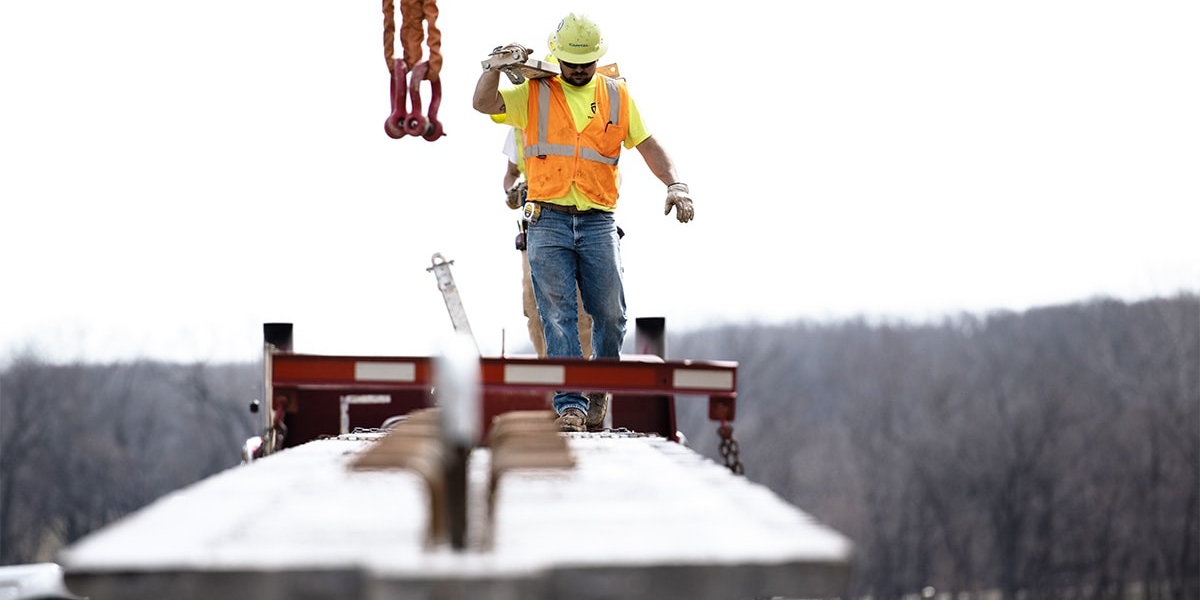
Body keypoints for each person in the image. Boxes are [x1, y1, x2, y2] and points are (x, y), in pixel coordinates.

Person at [474, 13, 694, 432]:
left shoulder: (616, 96)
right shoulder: (535, 92)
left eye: (585, 64)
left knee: (610, 315)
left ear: (597, 59)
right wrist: (494, 68)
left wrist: (676, 183)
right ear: (557, 57)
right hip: (547, 220)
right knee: (557, 315)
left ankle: (599, 389)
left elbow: (647, 145)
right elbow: (484, 103)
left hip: (598, 221)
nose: (577, 70)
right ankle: (570, 405)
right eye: (571, 63)